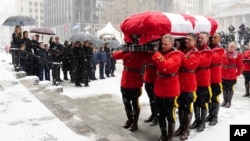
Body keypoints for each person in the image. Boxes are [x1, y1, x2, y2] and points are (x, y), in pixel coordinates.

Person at [150, 34, 184, 141]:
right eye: (162, 44)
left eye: (166, 44)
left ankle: (169, 137)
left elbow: (166, 67)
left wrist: (156, 53)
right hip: (159, 88)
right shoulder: (161, 53)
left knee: (170, 116)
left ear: (172, 44)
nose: (163, 46)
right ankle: (163, 134)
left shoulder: (177, 54)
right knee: (160, 114)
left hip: (170, 89)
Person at [112, 47, 145, 132]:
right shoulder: (127, 51)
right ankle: (130, 119)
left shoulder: (141, 52)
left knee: (135, 103)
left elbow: (150, 59)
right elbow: (115, 56)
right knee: (126, 103)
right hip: (125, 81)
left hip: (135, 82)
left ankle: (135, 122)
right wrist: (125, 50)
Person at [175, 33, 200, 140]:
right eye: (185, 39)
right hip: (180, 83)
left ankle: (186, 129)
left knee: (187, 107)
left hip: (189, 83)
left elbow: (188, 64)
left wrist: (178, 52)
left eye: (189, 40)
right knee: (180, 107)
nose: (186, 41)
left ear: (195, 41)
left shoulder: (196, 53)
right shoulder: (184, 51)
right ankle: (181, 127)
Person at [190, 31, 213, 132]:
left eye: (202, 38)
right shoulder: (195, 49)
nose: (199, 39)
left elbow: (199, 62)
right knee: (195, 101)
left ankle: (202, 122)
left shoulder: (208, 51)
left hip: (203, 79)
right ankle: (197, 120)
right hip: (195, 79)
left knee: (203, 102)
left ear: (207, 39)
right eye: (198, 38)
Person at [205, 33, 224, 126]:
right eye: (211, 37)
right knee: (209, 97)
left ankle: (215, 116)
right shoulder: (209, 48)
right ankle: (210, 114)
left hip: (215, 78)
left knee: (215, 97)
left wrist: (207, 49)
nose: (212, 39)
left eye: (215, 38)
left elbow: (212, 58)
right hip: (208, 77)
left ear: (219, 39)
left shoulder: (220, 49)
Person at [221, 41, 242, 108]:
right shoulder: (223, 53)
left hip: (231, 74)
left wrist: (238, 73)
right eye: (230, 46)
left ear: (235, 47)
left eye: (233, 47)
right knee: (224, 88)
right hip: (223, 73)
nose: (231, 48)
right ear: (228, 46)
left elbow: (240, 65)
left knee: (230, 88)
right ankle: (224, 100)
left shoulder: (238, 54)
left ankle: (228, 102)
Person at [143, 50, 158, 126]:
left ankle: (157, 116)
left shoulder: (158, 53)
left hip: (155, 80)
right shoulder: (146, 53)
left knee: (155, 100)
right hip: (148, 79)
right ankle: (153, 114)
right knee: (151, 99)